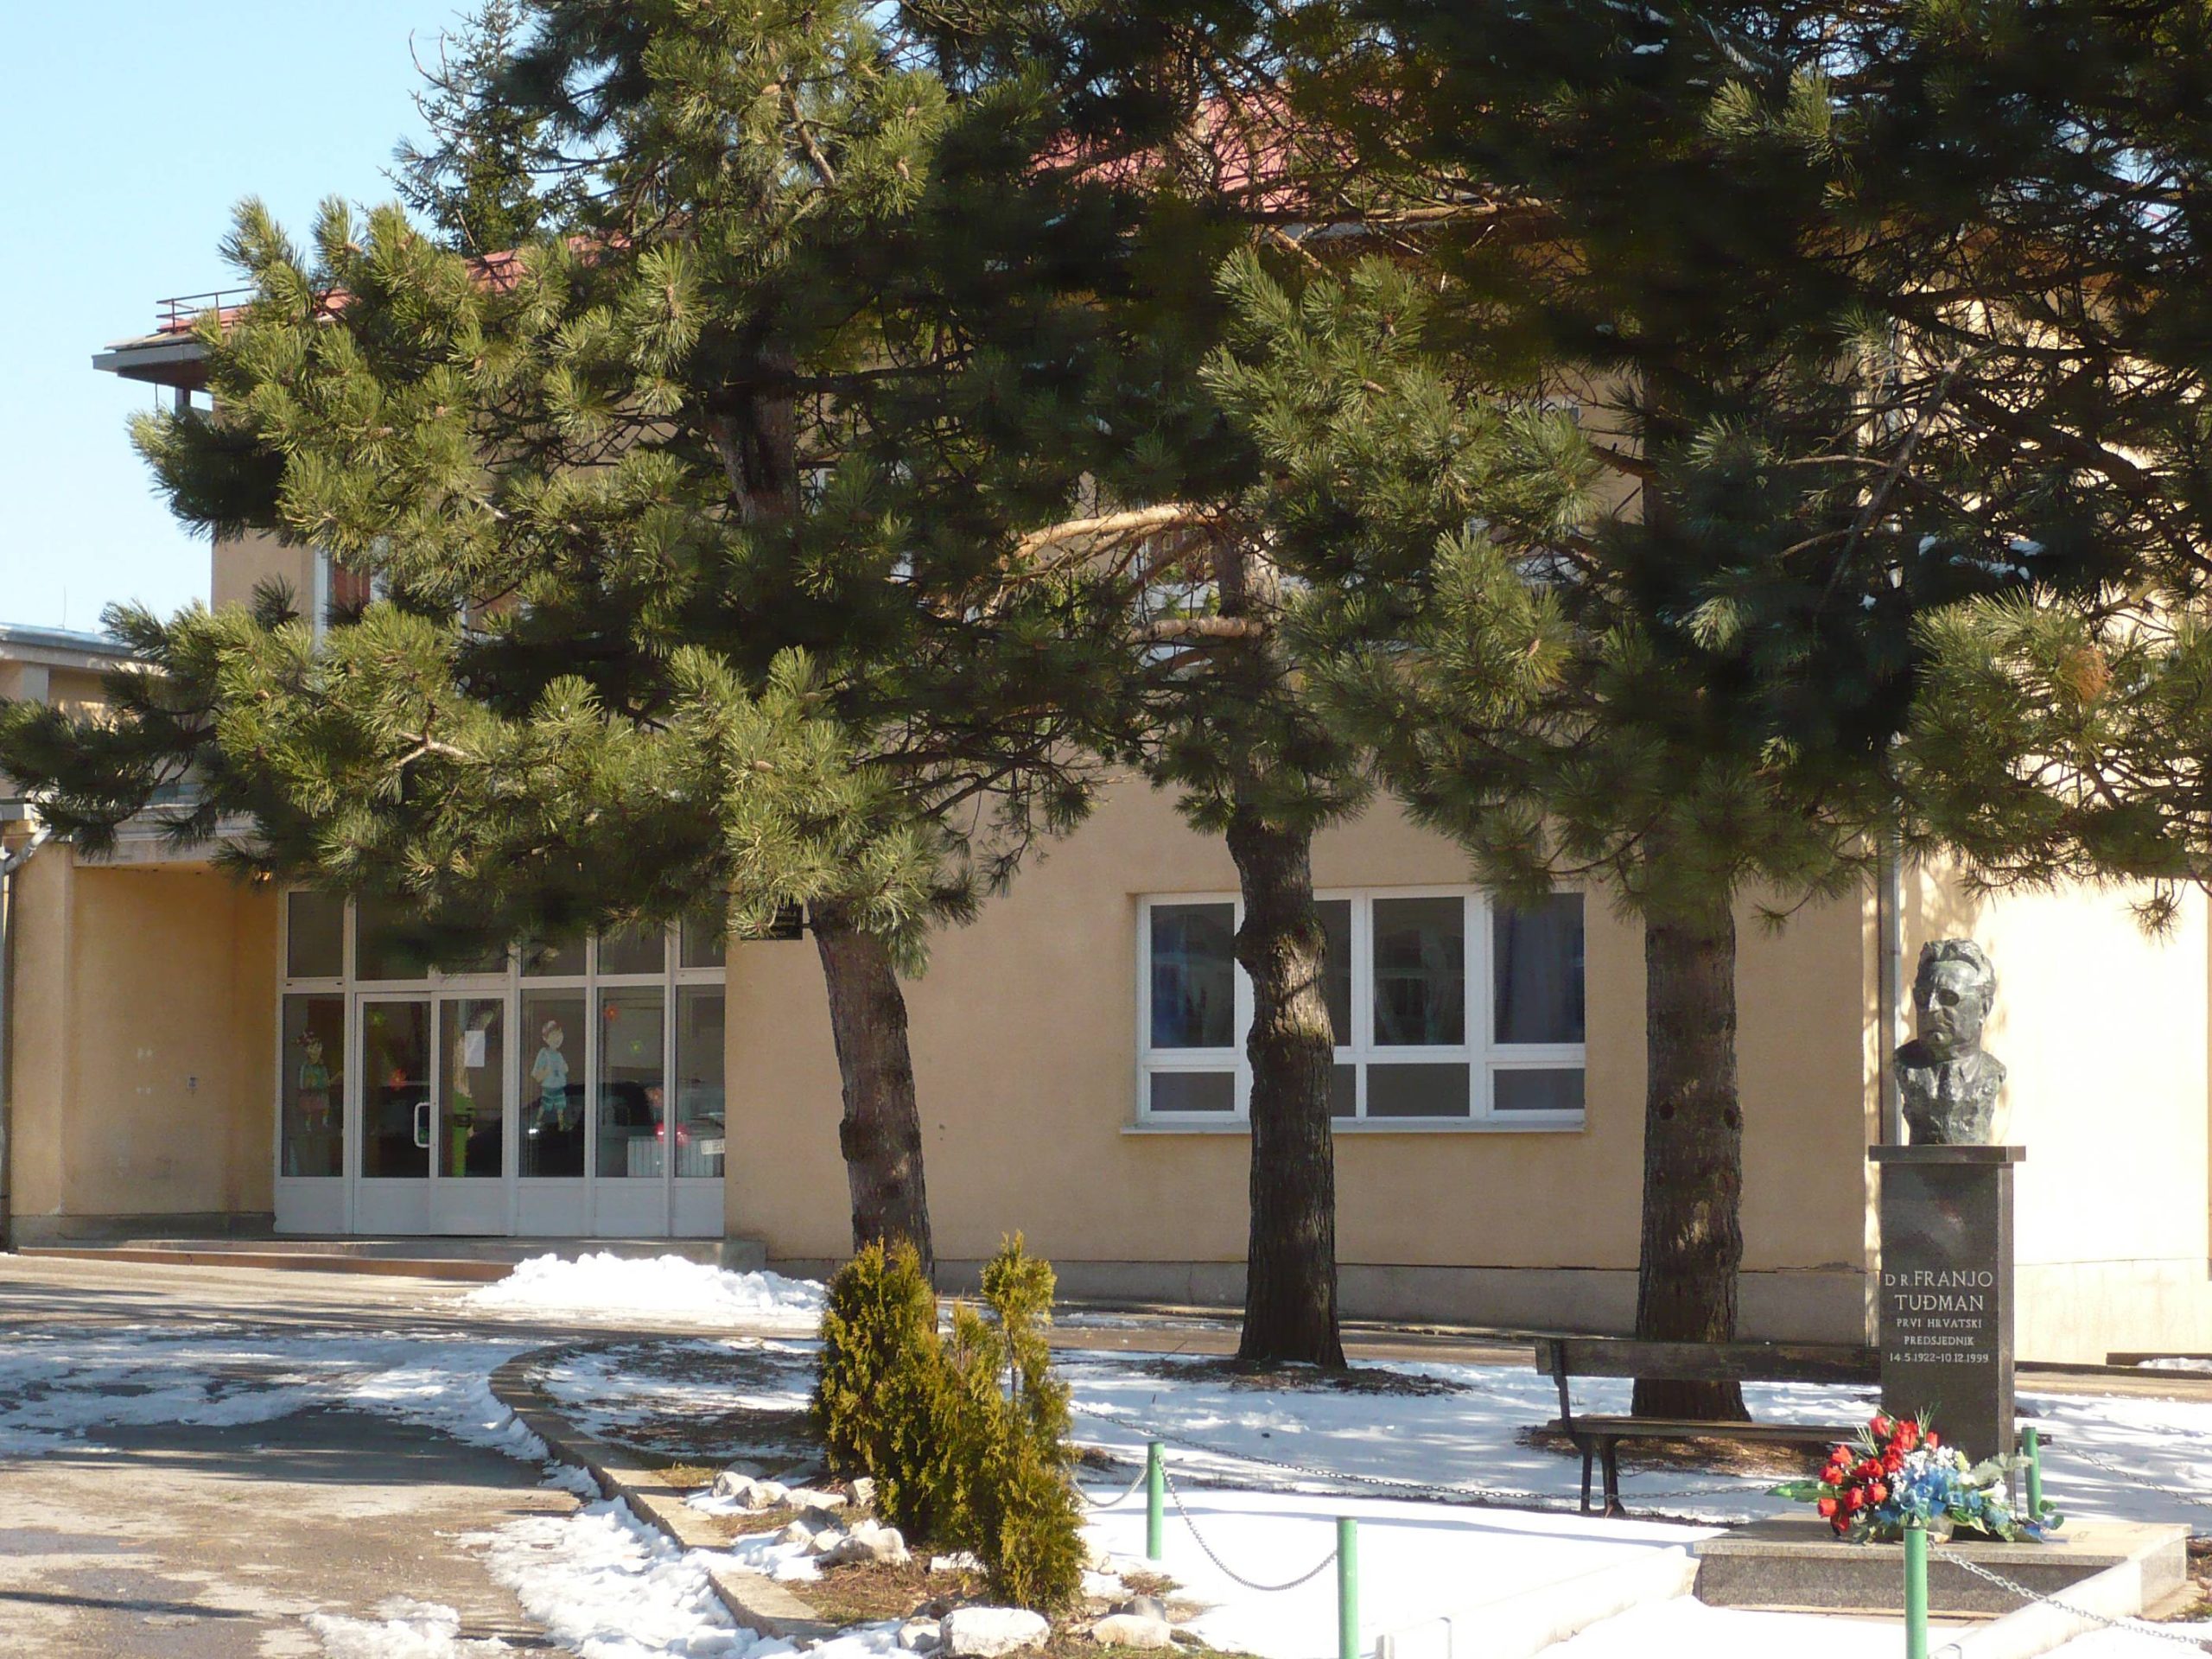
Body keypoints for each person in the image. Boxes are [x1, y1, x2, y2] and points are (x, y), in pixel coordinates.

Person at [1896, 939, 2007, 1144]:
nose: (1930, 1008)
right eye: (1923, 996)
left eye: (1948, 997)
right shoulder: (1905, 1064)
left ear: (1983, 1009)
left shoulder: (1991, 1073)